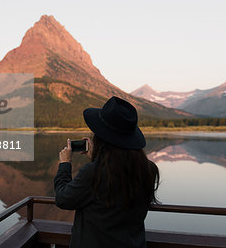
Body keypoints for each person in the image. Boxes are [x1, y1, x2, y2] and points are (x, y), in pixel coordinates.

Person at [54, 96, 160, 248]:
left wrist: (65, 164)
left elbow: (63, 199)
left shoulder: (94, 172)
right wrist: (97, 157)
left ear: (102, 138)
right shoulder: (149, 169)